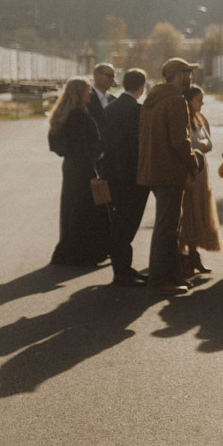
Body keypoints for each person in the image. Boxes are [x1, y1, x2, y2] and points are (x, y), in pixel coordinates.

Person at [136, 58, 204, 296]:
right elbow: (180, 141)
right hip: (170, 172)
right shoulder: (175, 101)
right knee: (167, 227)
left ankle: (173, 275)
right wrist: (194, 162)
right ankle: (159, 280)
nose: (190, 77)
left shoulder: (152, 99)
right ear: (178, 75)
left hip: (153, 170)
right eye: (188, 73)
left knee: (169, 226)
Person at [47, 77, 110, 268]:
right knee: (87, 210)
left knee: (72, 208)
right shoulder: (80, 115)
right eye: (87, 90)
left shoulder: (64, 113)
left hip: (71, 166)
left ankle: (70, 250)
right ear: (79, 93)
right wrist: (96, 159)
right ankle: (84, 253)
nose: (90, 93)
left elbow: (56, 145)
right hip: (85, 167)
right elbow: (86, 145)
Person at [100, 68, 149, 286]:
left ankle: (122, 268)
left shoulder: (109, 109)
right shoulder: (139, 111)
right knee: (128, 223)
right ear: (142, 86)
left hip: (112, 172)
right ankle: (122, 271)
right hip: (133, 175)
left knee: (118, 220)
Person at [178, 86, 221, 277]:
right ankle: (185, 256)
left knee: (199, 211)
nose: (202, 103)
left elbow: (209, 143)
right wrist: (200, 145)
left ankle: (194, 254)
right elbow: (187, 144)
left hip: (202, 173)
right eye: (199, 100)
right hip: (189, 173)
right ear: (189, 101)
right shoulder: (183, 120)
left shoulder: (200, 119)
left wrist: (202, 145)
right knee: (188, 213)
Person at [87, 63, 116, 127]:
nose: (112, 80)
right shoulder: (86, 98)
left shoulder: (113, 100)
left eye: (113, 76)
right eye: (108, 75)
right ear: (96, 75)